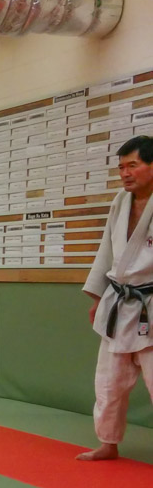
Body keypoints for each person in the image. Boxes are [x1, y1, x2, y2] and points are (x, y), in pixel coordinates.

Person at [78, 135, 153, 461]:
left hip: (151, 303)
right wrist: (97, 297)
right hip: (119, 302)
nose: (124, 173)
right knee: (108, 383)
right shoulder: (120, 203)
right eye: (121, 167)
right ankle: (108, 444)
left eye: (132, 165)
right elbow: (106, 252)